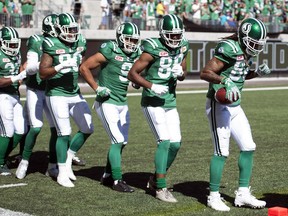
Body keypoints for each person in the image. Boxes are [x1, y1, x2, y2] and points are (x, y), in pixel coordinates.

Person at [200, 17, 270, 212]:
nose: (256, 47)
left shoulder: (245, 52)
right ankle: (213, 196)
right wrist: (225, 81)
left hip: (235, 105)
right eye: (253, 43)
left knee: (248, 146)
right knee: (221, 151)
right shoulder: (229, 47)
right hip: (218, 103)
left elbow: (240, 73)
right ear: (243, 37)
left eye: (259, 44)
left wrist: (256, 74)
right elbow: (205, 72)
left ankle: (242, 193)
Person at [128, 14, 189, 203]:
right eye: (172, 35)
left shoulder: (183, 46)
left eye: (178, 35)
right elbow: (132, 74)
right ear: (162, 34)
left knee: (176, 144)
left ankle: (155, 179)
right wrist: (151, 86)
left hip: (170, 101)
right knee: (164, 141)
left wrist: (181, 73)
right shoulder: (152, 48)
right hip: (152, 101)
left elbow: (183, 73)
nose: (176, 39)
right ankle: (161, 188)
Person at [79, 22, 141, 192]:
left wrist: (136, 81)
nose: (132, 44)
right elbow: (84, 67)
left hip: (122, 102)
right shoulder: (110, 49)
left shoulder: (136, 52)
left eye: (135, 40)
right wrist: (96, 87)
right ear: (120, 38)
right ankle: (117, 180)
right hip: (106, 102)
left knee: (122, 142)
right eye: (129, 39)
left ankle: (107, 175)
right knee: (117, 140)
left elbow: (135, 72)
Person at [39, 13, 94, 188]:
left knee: (87, 127)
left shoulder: (80, 42)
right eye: (68, 30)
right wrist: (60, 66)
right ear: (59, 30)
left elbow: (82, 66)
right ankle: (62, 172)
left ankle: (69, 157)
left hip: (74, 93)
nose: (72, 33)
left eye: (74, 30)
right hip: (56, 94)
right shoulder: (51, 43)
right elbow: (42, 73)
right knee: (64, 132)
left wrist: (97, 87)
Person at [15, 14, 59, 180]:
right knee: (35, 127)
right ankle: (24, 161)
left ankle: (53, 165)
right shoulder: (37, 40)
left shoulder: (64, 42)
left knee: (58, 129)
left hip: (53, 90)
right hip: (35, 89)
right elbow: (32, 68)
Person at [0, 26, 27, 175]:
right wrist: (16, 78)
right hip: (2, 95)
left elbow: (17, 74)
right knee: (8, 130)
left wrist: (21, 77)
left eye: (16, 44)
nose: (14, 47)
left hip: (14, 95)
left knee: (21, 129)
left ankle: (3, 156)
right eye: (10, 44)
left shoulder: (16, 55)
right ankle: (0, 162)